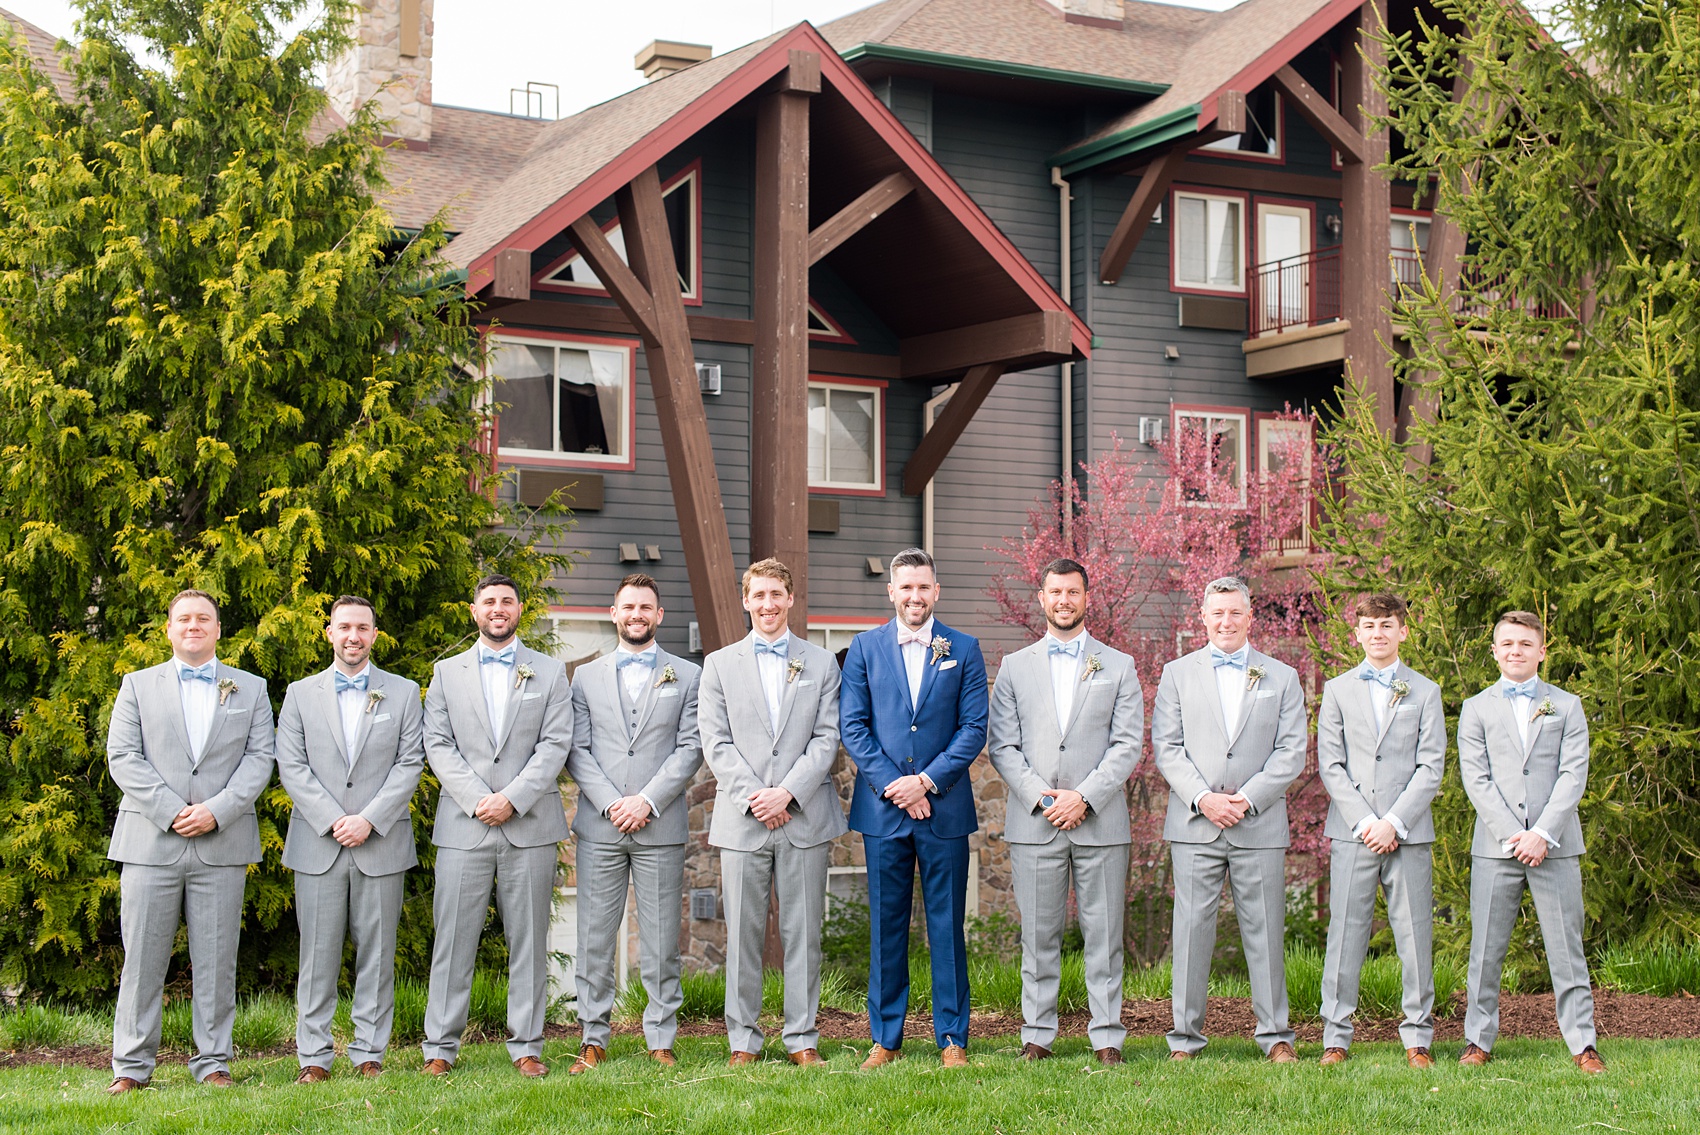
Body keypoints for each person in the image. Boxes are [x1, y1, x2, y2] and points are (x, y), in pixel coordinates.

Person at [105, 590, 276, 1093]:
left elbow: (259, 759)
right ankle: (131, 1068)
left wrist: (216, 811)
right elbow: (123, 756)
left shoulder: (251, 688)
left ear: (218, 629)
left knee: (218, 959)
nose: (194, 625)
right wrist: (173, 810)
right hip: (150, 842)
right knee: (141, 961)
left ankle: (214, 1062)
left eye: (204, 618)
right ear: (169, 629)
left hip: (221, 843)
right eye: (184, 618)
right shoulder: (136, 685)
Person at [987, 558, 1142, 1065]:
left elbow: (1127, 745)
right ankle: (1037, 1034)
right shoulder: (1015, 666)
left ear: (1086, 598)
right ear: (1042, 598)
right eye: (1055, 592)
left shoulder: (1118, 665)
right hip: (1035, 822)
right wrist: (1043, 797)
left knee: (1104, 936)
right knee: (1038, 936)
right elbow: (1003, 747)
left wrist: (1084, 796)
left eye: (1073, 592)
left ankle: (1107, 1037)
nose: (1064, 601)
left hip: (1100, 819)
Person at [840, 547, 988, 1070]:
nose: (915, 596)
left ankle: (953, 1038)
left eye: (923, 587)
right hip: (883, 813)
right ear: (891, 592)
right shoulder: (863, 648)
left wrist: (925, 782)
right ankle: (886, 1037)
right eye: (906, 587)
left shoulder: (964, 649)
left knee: (946, 927)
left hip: (943, 810)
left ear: (936, 591)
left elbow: (974, 729)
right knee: (886, 926)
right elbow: (853, 728)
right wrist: (895, 786)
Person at [420, 574, 572, 1078]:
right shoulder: (445, 673)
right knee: (453, 939)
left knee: (529, 940)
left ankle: (527, 1046)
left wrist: (512, 798)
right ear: (474, 610)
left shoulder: (548, 673)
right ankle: (440, 1048)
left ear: (519, 608)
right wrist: (477, 799)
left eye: (507, 601)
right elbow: (437, 744)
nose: (498, 608)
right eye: (489, 601)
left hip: (530, 825)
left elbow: (555, 744)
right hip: (464, 826)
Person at [1151, 576, 1305, 1062]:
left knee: (1265, 931)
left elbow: (1291, 751)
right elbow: (1167, 747)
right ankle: (1185, 1040)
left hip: (1257, 824)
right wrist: (1203, 798)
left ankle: (1276, 1036)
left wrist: (1246, 799)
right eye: (1217, 613)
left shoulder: (1282, 676)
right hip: (1196, 824)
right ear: (1203, 616)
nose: (1226, 621)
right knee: (1192, 934)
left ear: (1250, 616)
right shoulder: (1176, 673)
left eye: (1235, 612)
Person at [698, 558, 846, 1066]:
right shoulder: (718, 665)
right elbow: (715, 743)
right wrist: (757, 796)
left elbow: (828, 738)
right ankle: (743, 1040)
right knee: (742, 935)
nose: (767, 604)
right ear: (746, 601)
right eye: (758, 596)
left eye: (776, 595)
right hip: (743, 819)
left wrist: (788, 793)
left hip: (804, 815)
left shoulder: (822, 664)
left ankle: (802, 1038)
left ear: (790, 599)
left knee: (804, 933)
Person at [275, 595, 426, 1082]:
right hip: (318, 842)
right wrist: (333, 818)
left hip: (380, 841)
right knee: (316, 955)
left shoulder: (403, 693)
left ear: (375, 635)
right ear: (329, 632)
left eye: (362, 627)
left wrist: (369, 819)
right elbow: (291, 765)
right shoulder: (300, 693)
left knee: (378, 955)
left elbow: (410, 763)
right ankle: (314, 1057)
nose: (353, 636)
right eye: (344, 627)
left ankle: (368, 1053)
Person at [565, 574, 703, 1072]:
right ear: (614, 612)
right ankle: (592, 1037)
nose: (637, 614)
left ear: (659, 615)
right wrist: (611, 804)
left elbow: (691, 748)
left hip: (659, 824)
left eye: (646, 606)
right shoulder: (585, 676)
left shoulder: (687, 675)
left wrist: (646, 800)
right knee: (594, 937)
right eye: (629, 606)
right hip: (600, 827)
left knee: (662, 938)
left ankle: (661, 1037)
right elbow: (575, 750)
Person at [1457, 611, 1603, 1074]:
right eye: (1507, 643)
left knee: (1566, 948)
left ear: (1542, 650)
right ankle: (1477, 1041)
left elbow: (1573, 773)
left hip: (1555, 846)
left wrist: (1541, 833)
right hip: (1496, 846)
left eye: (1525, 643)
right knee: (1486, 950)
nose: (1515, 650)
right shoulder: (1476, 707)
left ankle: (1583, 1045)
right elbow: (1476, 778)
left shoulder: (1568, 705)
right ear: (1495, 651)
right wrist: (1513, 834)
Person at [1315, 593, 1445, 1069]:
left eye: (1387, 625)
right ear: (1357, 634)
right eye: (1369, 626)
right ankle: (1336, 1036)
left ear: (1403, 631)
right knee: (1345, 934)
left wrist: (1393, 820)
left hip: (1408, 832)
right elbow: (1330, 763)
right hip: (1353, 830)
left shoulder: (1425, 691)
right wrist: (1367, 820)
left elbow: (1431, 766)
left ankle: (1417, 1038)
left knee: (1415, 935)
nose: (1378, 634)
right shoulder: (1337, 690)